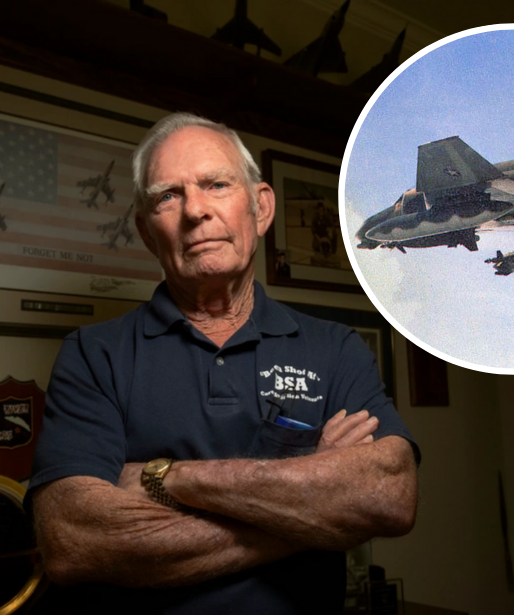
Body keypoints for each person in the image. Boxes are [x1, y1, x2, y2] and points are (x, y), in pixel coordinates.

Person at [28, 112, 419, 614]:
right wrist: (311, 506)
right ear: (147, 233)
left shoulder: (335, 347)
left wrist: (165, 477)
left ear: (260, 208)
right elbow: (73, 540)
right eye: (167, 196)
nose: (195, 210)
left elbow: (389, 493)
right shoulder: (93, 353)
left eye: (216, 184)